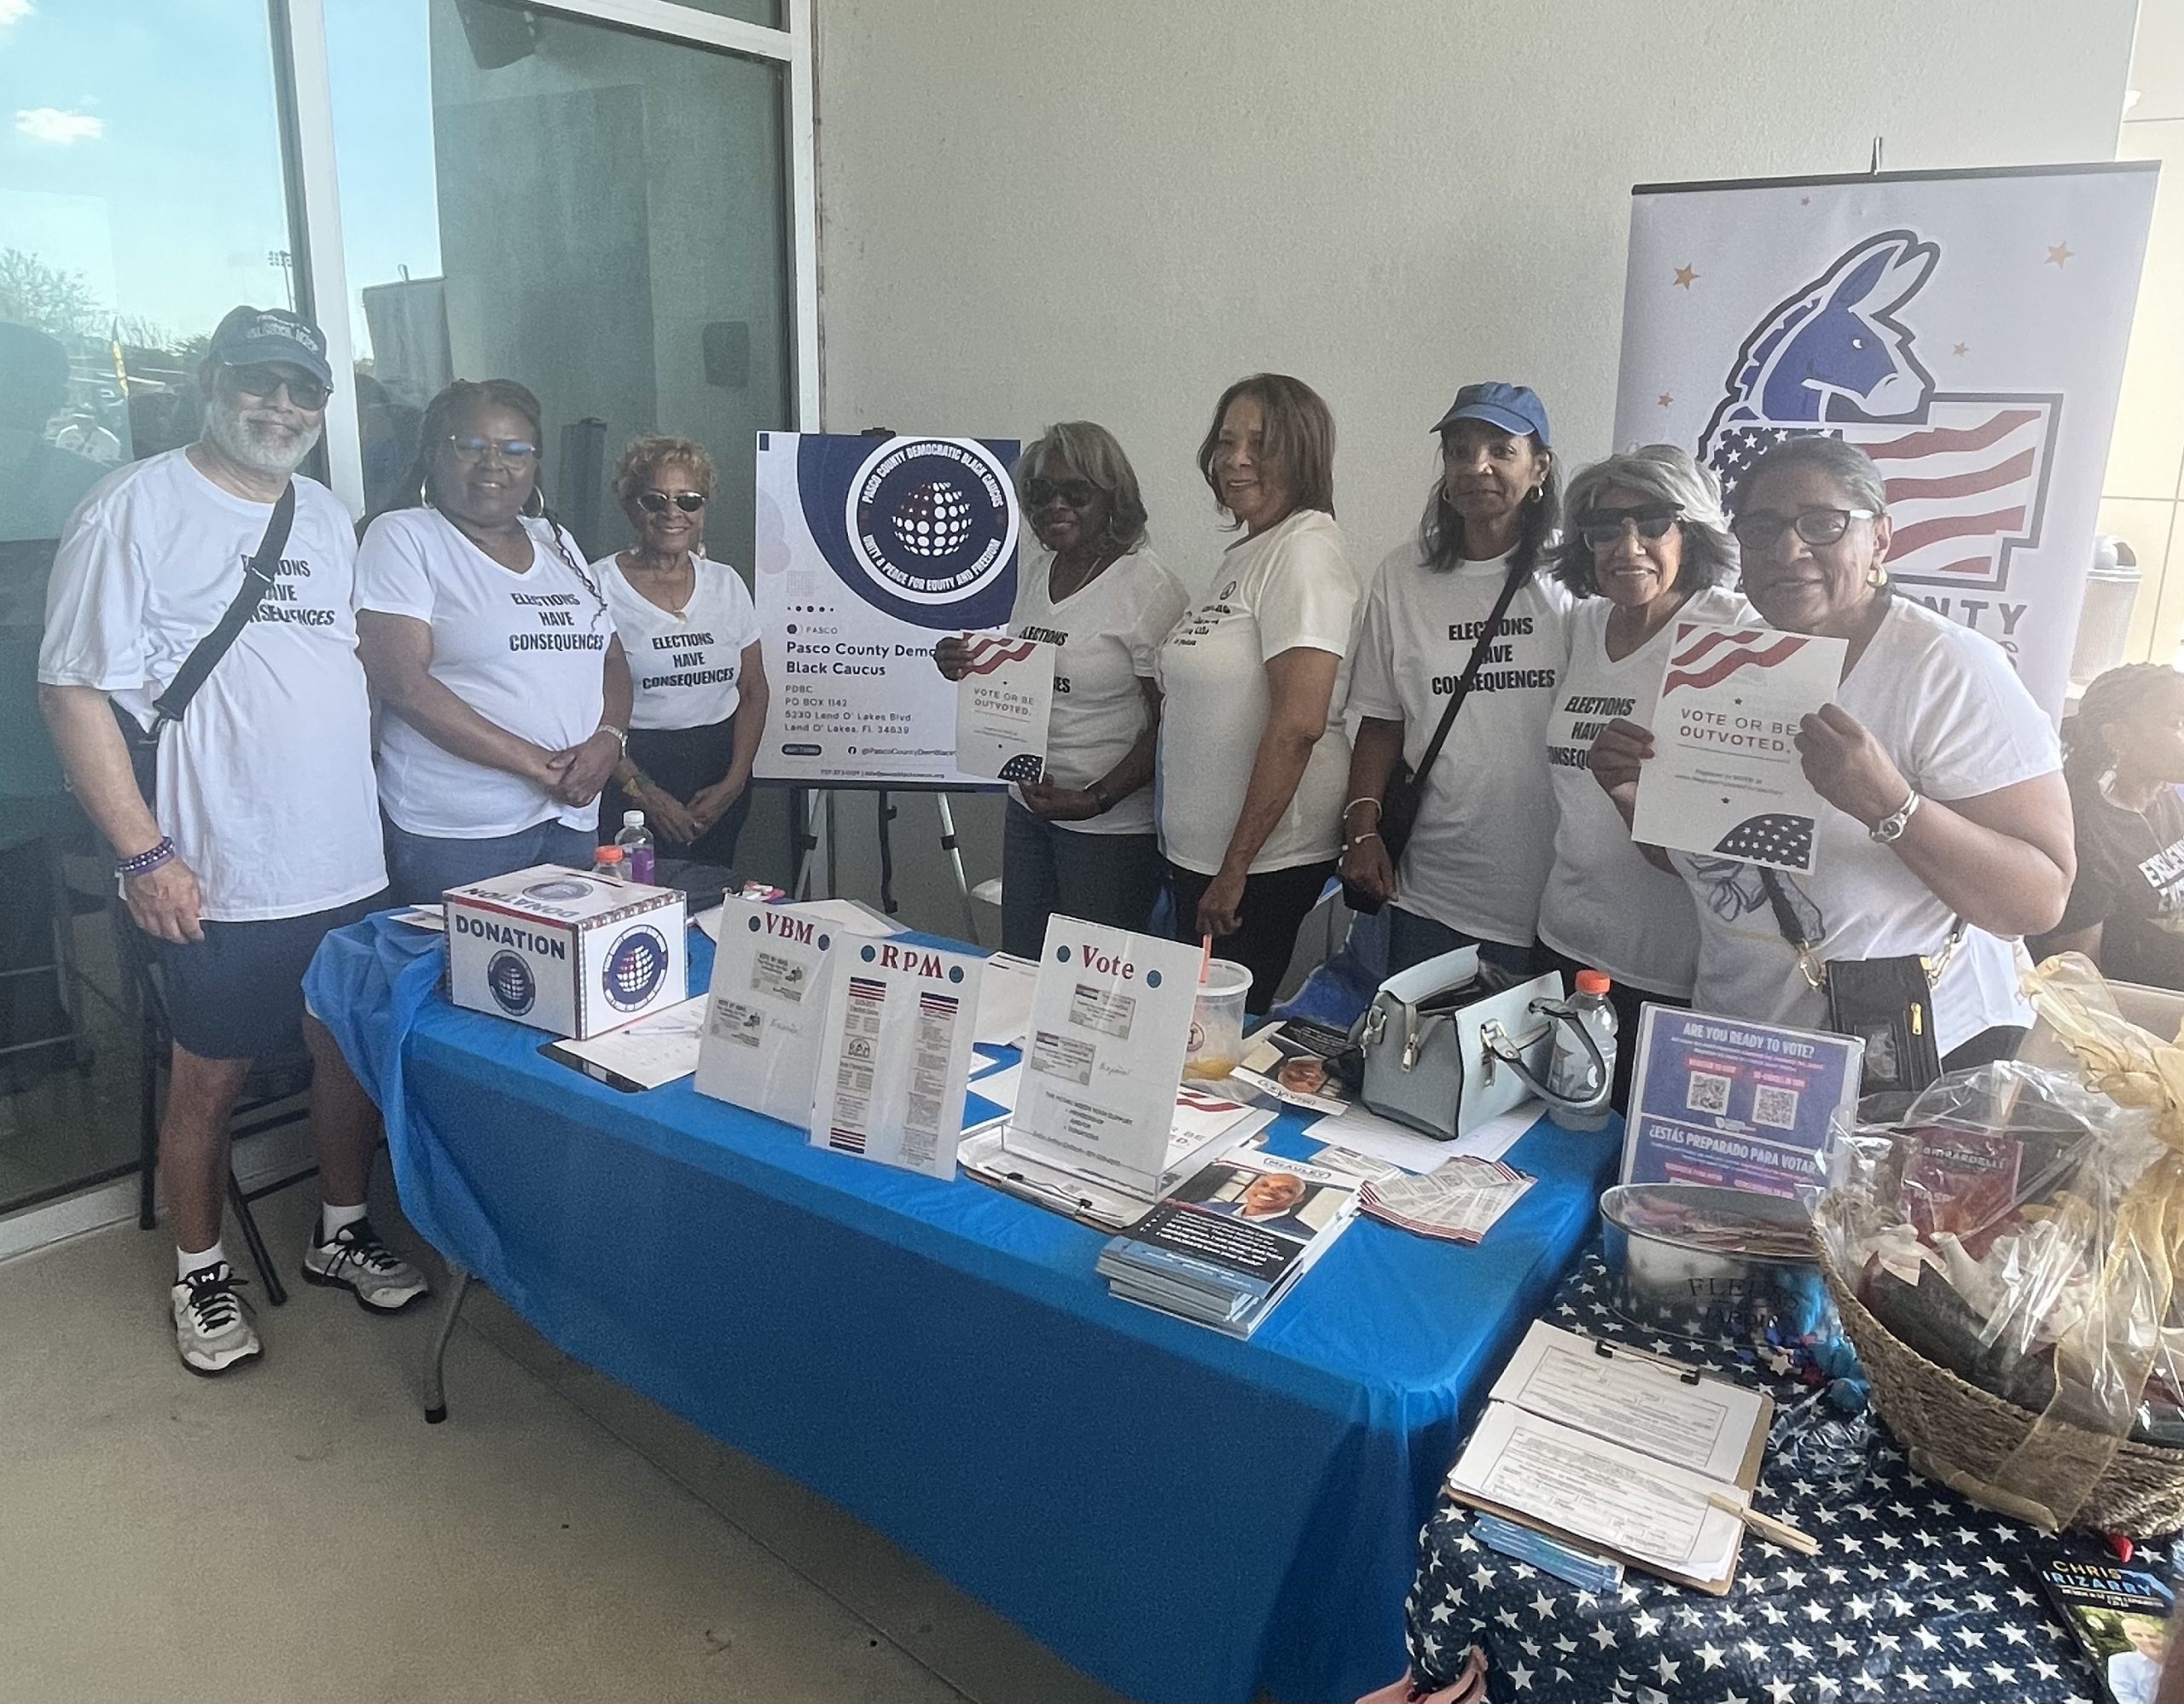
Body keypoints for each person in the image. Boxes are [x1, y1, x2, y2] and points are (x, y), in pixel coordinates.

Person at [38, 305, 427, 1375]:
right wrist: (144, 854)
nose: (282, 406)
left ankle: (339, 1228)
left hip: (343, 859)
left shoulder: (323, 514)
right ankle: (200, 1273)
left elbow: (338, 668)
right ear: (211, 381)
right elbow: (72, 691)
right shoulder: (133, 506)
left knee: (342, 1050)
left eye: (305, 390)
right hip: (217, 870)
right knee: (208, 1078)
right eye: (260, 381)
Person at [1589, 436, 2073, 1064]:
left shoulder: (1944, 666)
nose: (1789, 549)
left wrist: (1891, 805)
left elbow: (2039, 899)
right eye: (1762, 529)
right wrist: (1634, 797)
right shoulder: (1724, 660)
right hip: (1739, 1041)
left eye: (1823, 524)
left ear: (1880, 539)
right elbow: (1706, 867)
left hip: (1914, 1056)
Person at [355, 379, 633, 903]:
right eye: (471, 447)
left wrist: (609, 741)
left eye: (514, 450)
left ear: (534, 463)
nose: (493, 464)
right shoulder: (405, 536)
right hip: (460, 832)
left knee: (565, 955)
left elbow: (612, 659)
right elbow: (402, 683)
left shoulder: (556, 540)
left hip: (570, 817)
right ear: (433, 455)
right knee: (460, 958)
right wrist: (538, 766)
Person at [1537, 445, 1747, 1109]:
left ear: (1692, 533)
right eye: (1605, 529)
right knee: (1550, 1132)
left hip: (1669, 967)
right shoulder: (1582, 625)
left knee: (1635, 1143)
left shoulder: (1733, 631)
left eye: (1653, 523)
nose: (1628, 547)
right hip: (1563, 940)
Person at [1341, 382, 1570, 980]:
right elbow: (1382, 719)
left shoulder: (1574, 575)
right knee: (1422, 1040)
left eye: (1501, 449)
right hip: (1431, 892)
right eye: (1459, 450)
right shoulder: (1403, 575)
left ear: (1540, 467)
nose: (1476, 466)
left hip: (1556, 901)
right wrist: (1361, 831)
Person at [934, 422, 1187, 956]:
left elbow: (1175, 727)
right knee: (1022, 967)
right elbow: (1027, 672)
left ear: (1113, 497)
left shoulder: (1148, 588)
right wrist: (966, 664)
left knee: (1088, 987)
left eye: (1076, 492)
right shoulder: (1037, 571)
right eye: (1041, 492)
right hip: (1028, 810)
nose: (1056, 505)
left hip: (1108, 830)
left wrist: (1095, 799)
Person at [1157, 375, 1359, 1012]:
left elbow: (1299, 725)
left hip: (1258, 868)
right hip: (1205, 858)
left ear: (1302, 453)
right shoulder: (1252, 550)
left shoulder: (1304, 551)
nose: (1235, 459)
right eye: (1226, 441)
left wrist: (1234, 868)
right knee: (1192, 1039)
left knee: (1212, 1042)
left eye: (1260, 443)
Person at [595, 434, 767, 869]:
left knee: (713, 891)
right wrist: (645, 794)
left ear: (703, 509)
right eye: (655, 500)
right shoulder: (597, 586)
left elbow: (753, 689)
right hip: (631, 775)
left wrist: (734, 783)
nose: (673, 513)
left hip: (719, 777)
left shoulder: (727, 583)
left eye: (689, 500)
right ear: (631, 506)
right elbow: (584, 708)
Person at [2035, 663, 2184, 986]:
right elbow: (2078, 981)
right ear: (2117, 736)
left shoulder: (2163, 797)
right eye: (2177, 723)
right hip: (2143, 1006)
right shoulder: (2085, 834)